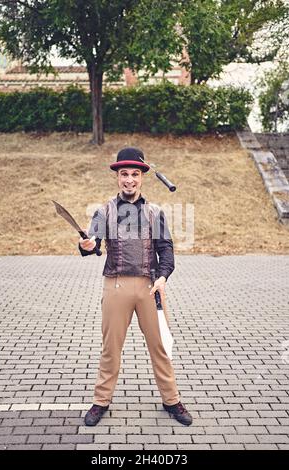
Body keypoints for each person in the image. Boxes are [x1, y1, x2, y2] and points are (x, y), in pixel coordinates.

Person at [78, 147, 192, 426]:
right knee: (111, 348)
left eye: (135, 174)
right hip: (115, 286)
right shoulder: (103, 211)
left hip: (149, 287)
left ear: (142, 177)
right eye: (124, 174)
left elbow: (166, 250)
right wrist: (87, 246)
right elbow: (92, 244)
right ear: (118, 177)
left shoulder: (155, 213)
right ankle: (101, 401)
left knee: (160, 346)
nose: (129, 179)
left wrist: (163, 276)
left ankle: (172, 400)